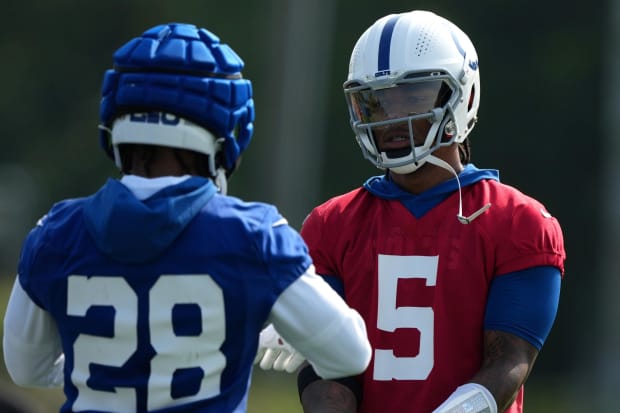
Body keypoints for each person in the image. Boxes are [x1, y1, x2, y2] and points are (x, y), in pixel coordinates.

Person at [2, 22, 371, 413]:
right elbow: (350, 355)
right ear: (228, 123)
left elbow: (25, 368)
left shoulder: (56, 232)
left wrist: (110, 374)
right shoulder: (253, 235)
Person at [254, 9, 566, 413]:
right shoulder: (331, 225)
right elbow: (330, 376)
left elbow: (508, 361)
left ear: (462, 95)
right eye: (376, 102)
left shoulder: (518, 222)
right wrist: (314, 336)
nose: (392, 119)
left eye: (412, 96)